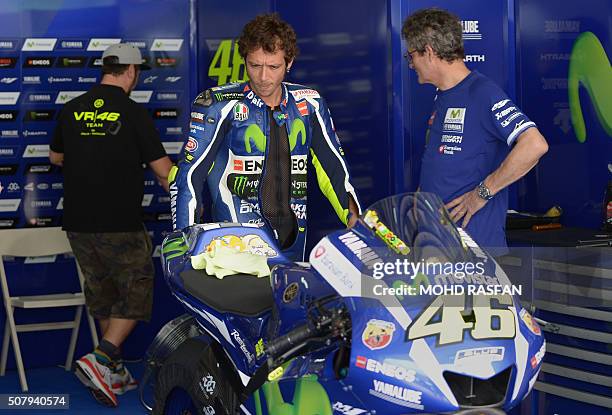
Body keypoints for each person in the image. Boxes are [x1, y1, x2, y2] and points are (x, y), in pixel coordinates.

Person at [170, 13, 361, 260]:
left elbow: (333, 169)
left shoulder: (310, 103)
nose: (263, 77)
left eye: (273, 67)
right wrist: (184, 243)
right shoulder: (218, 105)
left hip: (293, 239)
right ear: (245, 60)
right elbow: (188, 176)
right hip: (237, 245)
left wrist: (354, 220)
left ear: (289, 62)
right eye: (254, 65)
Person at [49, 43, 172, 407]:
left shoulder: (72, 110)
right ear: (131, 71)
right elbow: (164, 171)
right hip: (119, 221)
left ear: (107, 68)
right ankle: (101, 357)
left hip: (78, 222)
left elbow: (56, 157)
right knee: (136, 288)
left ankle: (111, 370)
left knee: (103, 293)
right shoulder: (133, 113)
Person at [402, 8, 549, 253]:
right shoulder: (444, 96)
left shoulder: (482, 92)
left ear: (428, 52)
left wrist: (481, 194)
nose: (410, 64)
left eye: (411, 56)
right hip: (440, 245)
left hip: (474, 251)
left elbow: (534, 145)